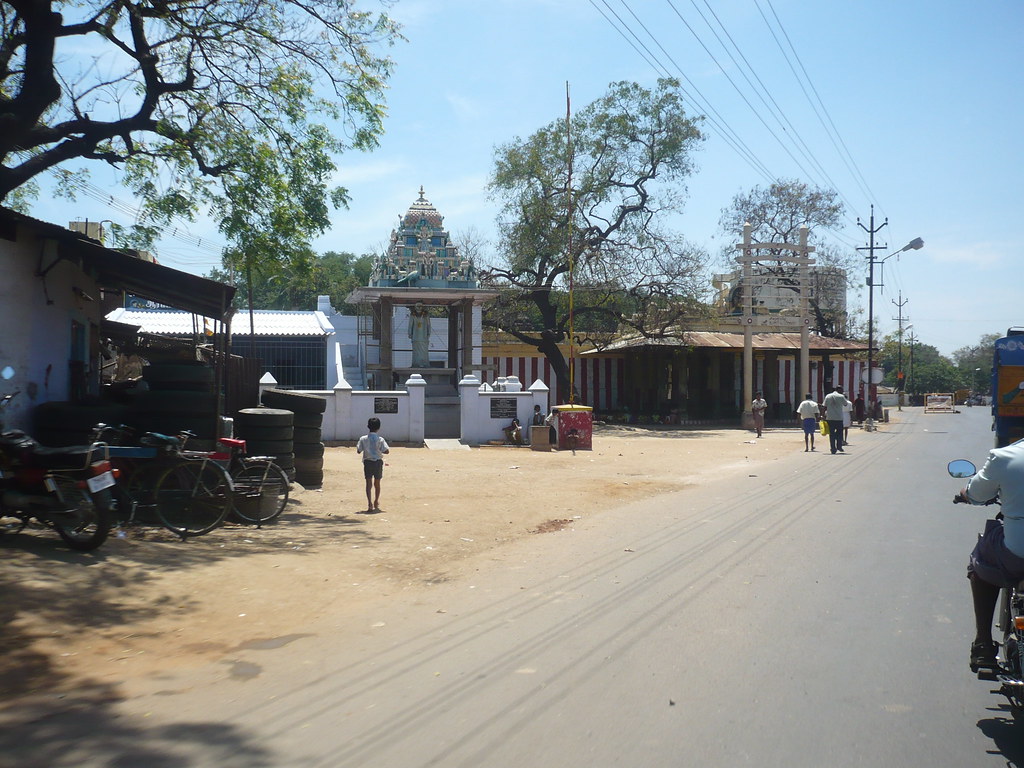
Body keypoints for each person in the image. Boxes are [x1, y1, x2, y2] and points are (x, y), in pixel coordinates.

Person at [956, 440, 1024, 669]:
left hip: (1016, 553)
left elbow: (976, 494)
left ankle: (983, 644)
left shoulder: (1005, 457)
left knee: (982, 558)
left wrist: (965, 493)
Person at [356, 417, 390, 513]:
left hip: (367, 462)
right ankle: (376, 501)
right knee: (377, 483)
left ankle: (369, 503)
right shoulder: (380, 439)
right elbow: (386, 451)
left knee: (368, 483)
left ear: (368, 426)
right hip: (378, 462)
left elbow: (358, 451)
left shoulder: (363, 439)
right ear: (379, 428)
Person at [822, 385, 847, 454]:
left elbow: (824, 407)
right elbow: (845, 404)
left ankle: (833, 448)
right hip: (839, 418)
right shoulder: (841, 396)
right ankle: (839, 446)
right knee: (840, 433)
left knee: (831, 434)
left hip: (830, 418)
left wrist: (823, 415)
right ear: (839, 390)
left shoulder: (828, 396)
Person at [408, 302, 431, 368]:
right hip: (415, 336)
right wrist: (410, 333)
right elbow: (410, 325)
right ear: (415, 307)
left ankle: (424, 363)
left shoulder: (426, 315)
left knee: (424, 351)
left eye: (420, 306)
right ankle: (415, 364)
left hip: (424, 336)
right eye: (417, 306)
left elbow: (429, 325)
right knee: (416, 351)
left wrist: (429, 333)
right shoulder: (412, 315)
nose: (419, 308)